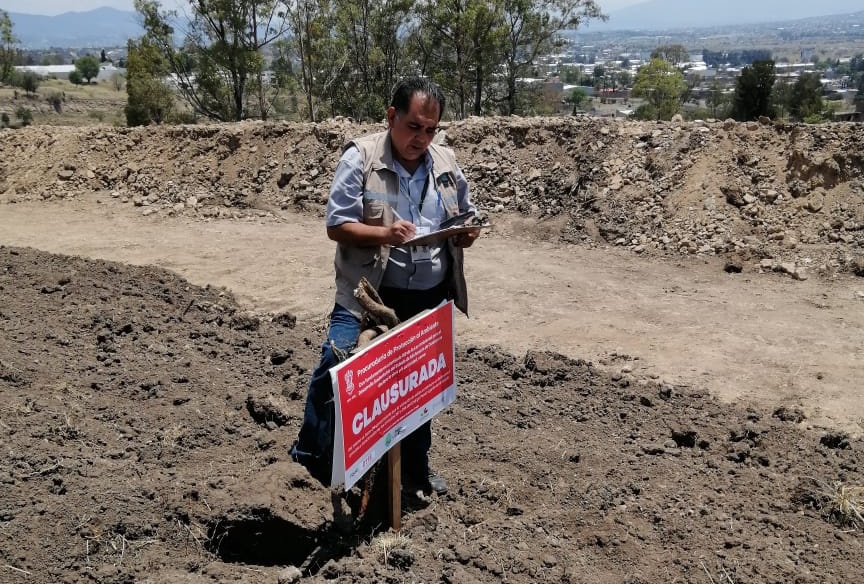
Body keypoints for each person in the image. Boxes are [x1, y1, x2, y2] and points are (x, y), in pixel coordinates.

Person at [290, 76, 480, 496]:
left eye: (430, 129)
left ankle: (414, 470)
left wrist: (467, 232)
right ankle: (308, 464)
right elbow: (336, 225)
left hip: (429, 296)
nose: (422, 138)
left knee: (419, 385)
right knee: (337, 364)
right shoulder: (361, 158)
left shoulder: (445, 161)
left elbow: (465, 214)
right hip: (370, 293)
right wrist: (385, 235)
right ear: (391, 116)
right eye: (413, 127)